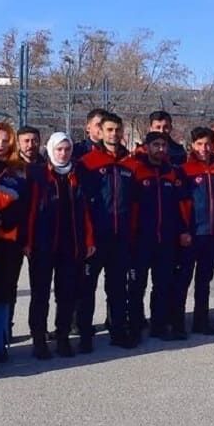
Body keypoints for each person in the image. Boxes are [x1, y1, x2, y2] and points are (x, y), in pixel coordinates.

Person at [25, 133, 95, 358]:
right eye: (59, 149)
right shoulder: (38, 175)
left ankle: (63, 337)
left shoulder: (79, 174)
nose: (63, 153)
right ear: (50, 150)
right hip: (43, 244)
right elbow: (30, 211)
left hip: (71, 244)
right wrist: (28, 242)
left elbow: (87, 211)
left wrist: (89, 240)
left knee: (66, 294)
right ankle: (39, 340)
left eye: (67, 149)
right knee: (40, 294)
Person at [123, 132, 189, 342]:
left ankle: (158, 326)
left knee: (162, 285)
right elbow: (129, 206)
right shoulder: (136, 170)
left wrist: (182, 230)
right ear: (147, 146)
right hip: (141, 239)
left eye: (163, 145)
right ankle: (134, 327)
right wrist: (131, 235)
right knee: (137, 286)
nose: (160, 149)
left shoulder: (172, 172)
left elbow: (179, 207)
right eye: (156, 145)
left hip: (166, 239)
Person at [76, 117, 136, 347]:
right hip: (96, 237)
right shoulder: (87, 163)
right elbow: (81, 203)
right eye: (109, 129)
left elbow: (135, 203)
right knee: (87, 287)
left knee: (118, 287)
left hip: (121, 237)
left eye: (117, 130)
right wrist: (87, 237)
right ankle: (85, 334)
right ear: (100, 132)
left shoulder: (131, 163)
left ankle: (118, 331)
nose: (114, 134)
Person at [177, 127, 214, 335]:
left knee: (204, 281)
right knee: (183, 280)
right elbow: (179, 204)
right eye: (199, 144)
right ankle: (178, 323)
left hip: (212, 235)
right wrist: (183, 230)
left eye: (208, 144)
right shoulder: (184, 170)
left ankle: (201, 321)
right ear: (192, 145)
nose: (204, 148)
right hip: (191, 235)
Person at [0, 122, 29, 362]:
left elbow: (25, 205)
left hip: (9, 241)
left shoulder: (18, 171)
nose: (0, 144)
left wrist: (3, 219)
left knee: (3, 294)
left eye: (5, 140)